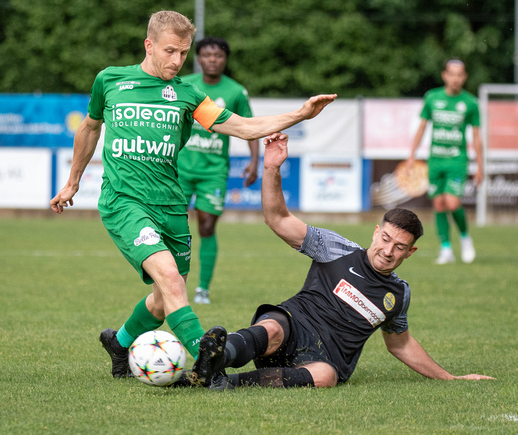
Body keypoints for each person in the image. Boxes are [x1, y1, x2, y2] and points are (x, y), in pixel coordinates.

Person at [50, 10, 337, 378]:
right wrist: (73, 181)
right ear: (149, 45)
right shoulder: (111, 81)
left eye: (183, 53)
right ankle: (209, 364)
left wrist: (300, 114)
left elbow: (244, 127)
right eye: (170, 51)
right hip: (124, 201)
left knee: (164, 297)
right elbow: (89, 127)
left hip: (170, 204)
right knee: (170, 279)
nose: (177, 60)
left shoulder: (188, 93)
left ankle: (120, 344)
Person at [189, 132, 494, 389]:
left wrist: (450, 377)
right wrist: (271, 169)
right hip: (293, 327)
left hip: (324, 361)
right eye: (385, 239)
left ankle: (224, 382)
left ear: (410, 252)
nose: (388, 251)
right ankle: (217, 356)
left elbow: (399, 344)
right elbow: (278, 219)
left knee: (326, 377)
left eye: (399, 247)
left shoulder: (398, 295)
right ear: (376, 233)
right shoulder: (336, 248)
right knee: (272, 328)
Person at [178, 37, 259, 305]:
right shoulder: (184, 84)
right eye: (207, 55)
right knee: (173, 224)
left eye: (218, 55)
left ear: (225, 59)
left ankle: (202, 289)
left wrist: (254, 160)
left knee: (207, 226)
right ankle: (172, 282)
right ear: (198, 59)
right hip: (179, 168)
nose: (213, 60)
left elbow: (248, 127)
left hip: (214, 171)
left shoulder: (236, 92)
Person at [406, 59, 483, 265]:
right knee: (439, 204)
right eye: (452, 74)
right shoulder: (432, 98)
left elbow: (476, 137)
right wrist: (412, 155)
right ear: (445, 75)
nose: (456, 78)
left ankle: (465, 238)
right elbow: (422, 127)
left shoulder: (470, 103)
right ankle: (446, 248)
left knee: (453, 202)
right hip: (435, 161)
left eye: (460, 74)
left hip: (457, 161)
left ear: (464, 77)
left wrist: (480, 167)